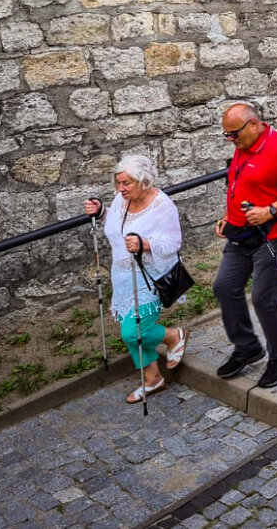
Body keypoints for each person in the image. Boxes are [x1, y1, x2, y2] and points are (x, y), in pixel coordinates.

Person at [212, 103, 277, 389]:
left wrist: (270, 210)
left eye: (234, 133)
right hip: (241, 232)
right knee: (224, 286)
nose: (230, 139)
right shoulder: (243, 145)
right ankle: (247, 347)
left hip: (275, 233)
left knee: (264, 297)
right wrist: (228, 218)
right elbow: (241, 185)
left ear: (254, 124)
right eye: (226, 134)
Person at [84, 155, 186, 404]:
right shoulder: (122, 199)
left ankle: (173, 336)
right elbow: (118, 224)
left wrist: (145, 244)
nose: (120, 188)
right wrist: (102, 211)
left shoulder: (163, 206)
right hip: (122, 276)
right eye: (118, 183)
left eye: (126, 183)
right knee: (130, 327)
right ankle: (153, 379)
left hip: (150, 277)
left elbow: (173, 242)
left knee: (133, 332)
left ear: (144, 182)